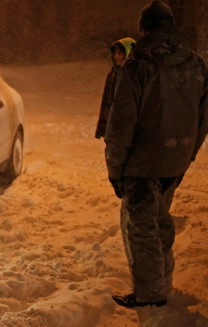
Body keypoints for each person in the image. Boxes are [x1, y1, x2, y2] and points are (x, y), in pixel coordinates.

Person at [104, 0, 208, 308]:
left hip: (142, 163)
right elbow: (203, 119)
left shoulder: (139, 64)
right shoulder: (196, 64)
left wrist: (115, 170)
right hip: (174, 163)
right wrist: (187, 156)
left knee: (141, 229)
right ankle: (164, 281)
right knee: (160, 220)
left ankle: (150, 294)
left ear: (143, 29)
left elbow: (120, 124)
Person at [95, 37, 135, 139]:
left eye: (120, 53)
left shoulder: (135, 75)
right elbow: (106, 102)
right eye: (115, 53)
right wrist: (102, 127)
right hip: (113, 127)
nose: (117, 56)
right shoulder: (113, 74)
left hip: (130, 129)